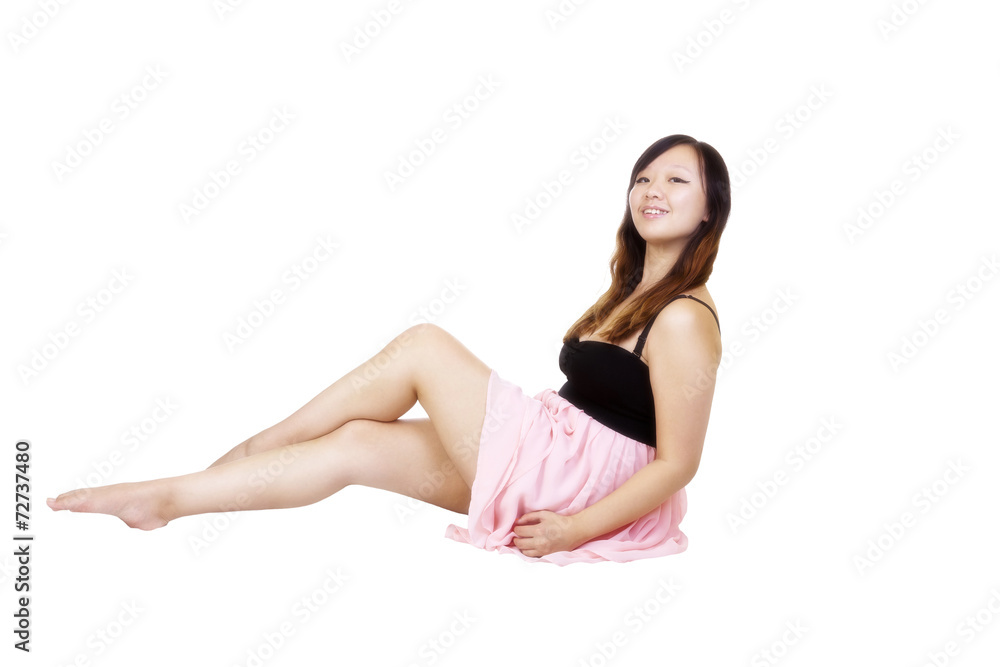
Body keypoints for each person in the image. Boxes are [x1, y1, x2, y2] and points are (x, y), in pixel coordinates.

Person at [48, 134, 731, 566]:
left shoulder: (683, 319)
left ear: (709, 210)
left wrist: (574, 531)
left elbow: (680, 462)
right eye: (644, 177)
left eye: (676, 180)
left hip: (577, 482)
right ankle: (168, 499)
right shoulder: (630, 292)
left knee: (424, 346)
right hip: (553, 451)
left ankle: (262, 444)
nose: (652, 190)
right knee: (355, 444)